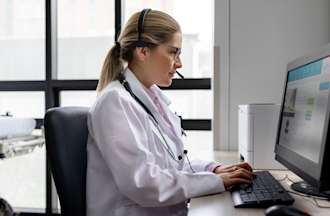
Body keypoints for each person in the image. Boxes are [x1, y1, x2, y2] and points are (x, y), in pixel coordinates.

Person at [86, 9, 254, 216]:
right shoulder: (115, 102)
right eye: (173, 52)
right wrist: (215, 182)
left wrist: (212, 169)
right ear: (143, 51)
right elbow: (144, 184)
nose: (179, 63)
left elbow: (174, 165)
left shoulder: (152, 100)